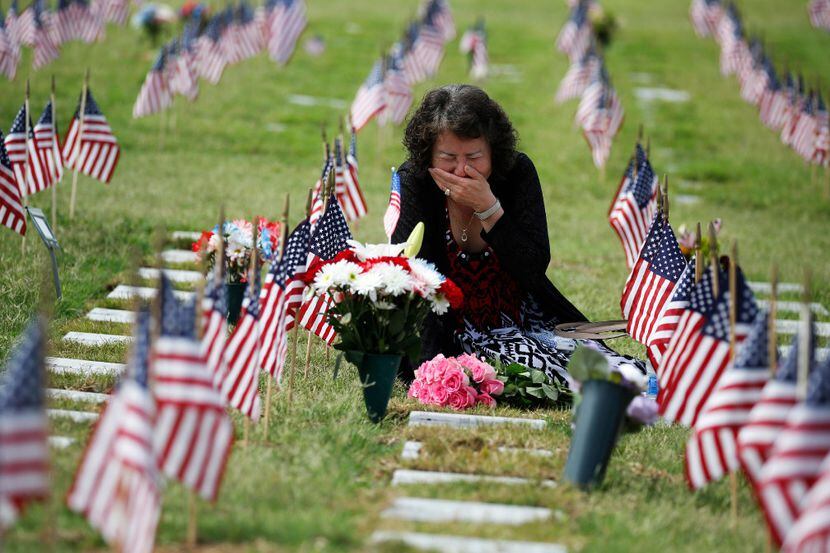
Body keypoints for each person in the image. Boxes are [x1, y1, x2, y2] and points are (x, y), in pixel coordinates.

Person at [392, 84, 643, 385]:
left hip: (521, 319)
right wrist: (431, 369)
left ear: (493, 152)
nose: (461, 170)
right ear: (428, 155)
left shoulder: (517, 173)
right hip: (445, 327)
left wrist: (489, 209)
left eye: (474, 157)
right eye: (448, 157)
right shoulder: (415, 183)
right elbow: (417, 279)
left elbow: (533, 267)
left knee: (606, 374)